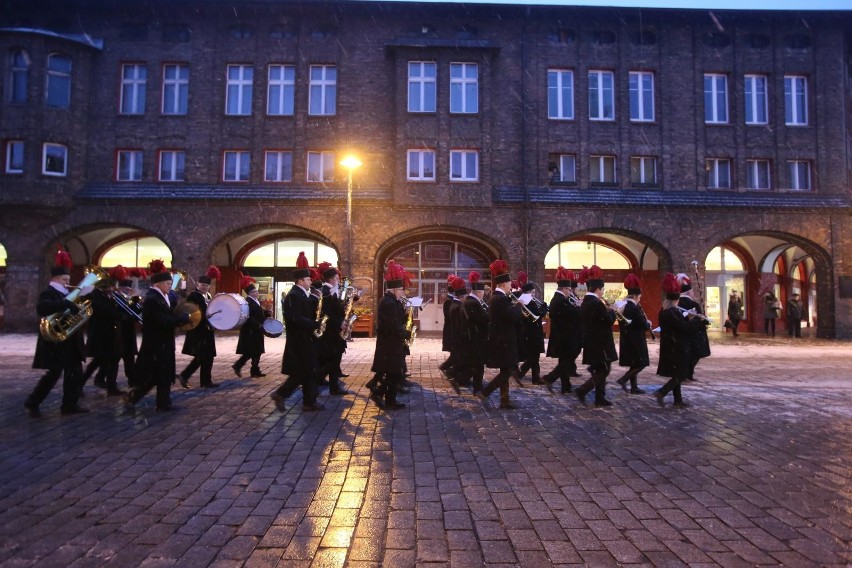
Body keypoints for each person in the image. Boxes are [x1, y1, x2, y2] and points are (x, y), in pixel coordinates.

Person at [25, 249, 88, 417]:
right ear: (55, 279)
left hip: (70, 339)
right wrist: (66, 304)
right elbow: (43, 308)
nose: (68, 282)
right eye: (64, 280)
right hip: (55, 341)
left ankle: (70, 404)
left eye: (68, 279)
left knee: (74, 372)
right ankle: (33, 401)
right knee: (54, 373)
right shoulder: (49, 293)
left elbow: (74, 311)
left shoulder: (66, 294)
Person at [124, 261, 191, 413]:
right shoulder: (152, 299)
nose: (170, 286)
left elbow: (171, 312)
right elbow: (162, 320)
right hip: (155, 343)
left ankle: (163, 403)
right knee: (153, 374)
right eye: (168, 283)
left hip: (164, 342)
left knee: (163, 373)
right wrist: (181, 320)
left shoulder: (164, 296)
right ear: (159, 284)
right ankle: (134, 398)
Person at [273, 252, 324, 411]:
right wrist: (315, 324)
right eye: (308, 279)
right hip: (300, 340)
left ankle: (307, 402)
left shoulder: (302, 294)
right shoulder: (294, 295)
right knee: (303, 372)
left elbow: (307, 311)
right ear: (300, 281)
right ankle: (284, 395)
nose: (311, 281)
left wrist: (316, 300)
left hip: (305, 339)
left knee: (307, 372)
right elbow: (296, 318)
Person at [476, 259, 522, 409]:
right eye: (509, 284)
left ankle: (505, 400)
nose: (511, 286)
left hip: (502, 340)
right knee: (508, 370)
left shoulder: (499, 298)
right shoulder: (500, 299)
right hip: (504, 341)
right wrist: (519, 306)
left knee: (506, 369)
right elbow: (512, 317)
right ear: (503, 284)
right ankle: (486, 392)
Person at [656, 273, 703, 408]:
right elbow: (683, 328)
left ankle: (678, 400)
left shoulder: (665, 311)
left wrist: (687, 319)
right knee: (681, 374)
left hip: (670, 345)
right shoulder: (673, 312)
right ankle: (662, 392)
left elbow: (678, 325)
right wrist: (696, 320)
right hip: (677, 346)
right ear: (676, 300)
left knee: (677, 373)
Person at [369, 261, 411, 410]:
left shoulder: (393, 301)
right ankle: (389, 400)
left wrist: (406, 317)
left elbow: (397, 320)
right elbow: (392, 324)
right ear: (393, 289)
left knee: (395, 373)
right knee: (395, 374)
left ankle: (380, 393)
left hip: (392, 343)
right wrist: (405, 333)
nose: (402, 292)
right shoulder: (389, 302)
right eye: (400, 289)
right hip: (390, 344)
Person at [575, 265, 617, 407]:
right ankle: (583, 390)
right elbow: (608, 321)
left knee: (601, 369)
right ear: (598, 289)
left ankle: (600, 398)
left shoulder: (586, 302)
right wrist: (613, 311)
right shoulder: (596, 303)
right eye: (602, 290)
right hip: (601, 342)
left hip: (592, 341)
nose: (603, 292)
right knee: (604, 369)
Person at [82, 271, 125, 396]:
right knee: (100, 360)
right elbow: (106, 311)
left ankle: (109, 385)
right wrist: (120, 315)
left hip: (110, 334)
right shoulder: (95, 296)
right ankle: (81, 384)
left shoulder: (107, 296)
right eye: (112, 286)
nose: (114, 289)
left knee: (110, 359)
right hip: (100, 334)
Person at [178, 266, 220, 389]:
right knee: (204, 356)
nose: (204, 287)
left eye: (206, 285)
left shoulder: (208, 295)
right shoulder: (194, 296)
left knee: (205, 356)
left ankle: (189, 377)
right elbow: (194, 312)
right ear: (198, 284)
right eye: (202, 284)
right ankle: (204, 381)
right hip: (199, 330)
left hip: (207, 330)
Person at [542, 267, 582, 394]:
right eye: (569, 290)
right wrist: (578, 307)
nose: (570, 292)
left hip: (565, 335)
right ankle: (550, 378)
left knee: (564, 361)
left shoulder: (562, 299)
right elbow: (568, 314)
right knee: (567, 361)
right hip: (564, 336)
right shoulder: (559, 300)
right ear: (564, 289)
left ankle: (566, 386)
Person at [316, 262, 350, 395]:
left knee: (334, 360)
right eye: (337, 278)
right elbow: (327, 312)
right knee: (333, 360)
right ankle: (321, 380)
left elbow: (336, 310)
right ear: (330, 279)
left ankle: (332, 385)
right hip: (330, 332)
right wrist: (339, 323)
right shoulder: (325, 292)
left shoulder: (332, 291)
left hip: (335, 330)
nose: (338, 280)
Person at [615, 273, 650, 394]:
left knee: (634, 363)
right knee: (641, 363)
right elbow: (641, 324)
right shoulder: (634, 308)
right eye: (639, 296)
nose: (640, 298)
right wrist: (648, 324)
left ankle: (634, 387)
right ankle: (624, 379)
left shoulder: (624, 305)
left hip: (627, 338)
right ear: (635, 296)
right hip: (636, 339)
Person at [457, 271, 490, 394]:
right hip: (476, 338)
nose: (483, 295)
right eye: (482, 293)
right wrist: (489, 314)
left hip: (471, 337)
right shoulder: (473, 303)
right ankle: (477, 387)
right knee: (478, 365)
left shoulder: (469, 301)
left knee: (473, 364)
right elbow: (482, 319)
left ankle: (463, 381)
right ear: (478, 292)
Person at [515, 271, 547, 385]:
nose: (534, 294)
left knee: (535, 356)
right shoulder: (527, 302)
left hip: (534, 331)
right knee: (533, 357)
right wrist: (544, 309)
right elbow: (536, 316)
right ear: (528, 292)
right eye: (532, 292)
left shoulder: (529, 301)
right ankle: (520, 374)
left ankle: (535, 377)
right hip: (531, 333)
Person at [232, 274, 267, 378]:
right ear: (251, 293)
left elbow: (259, 313)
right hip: (251, 331)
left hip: (256, 330)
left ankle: (254, 370)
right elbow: (249, 317)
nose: (257, 292)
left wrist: (266, 313)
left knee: (256, 351)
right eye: (255, 291)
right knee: (252, 351)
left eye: (256, 290)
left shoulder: (255, 301)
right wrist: (258, 325)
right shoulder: (248, 302)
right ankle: (239, 366)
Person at [677, 273, 711, 380]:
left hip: (683, 334)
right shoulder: (693, 304)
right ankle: (688, 373)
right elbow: (699, 319)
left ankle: (686, 373)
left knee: (686, 356)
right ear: (688, 292)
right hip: (695, 334)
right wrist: (704, 320)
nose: (693, 293)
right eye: (692, 291)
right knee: (694, 356)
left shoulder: (677, 303)